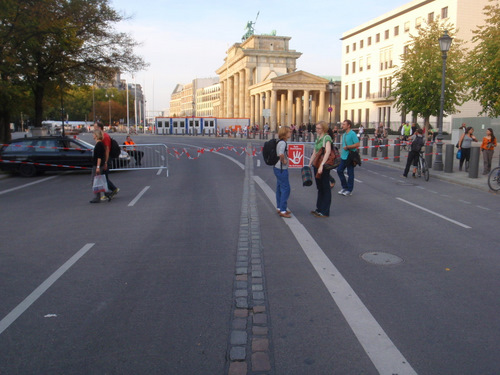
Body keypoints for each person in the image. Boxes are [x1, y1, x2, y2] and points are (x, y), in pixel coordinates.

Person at [309, 121, 332, 217]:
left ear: (324, 129)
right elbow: (315, 152)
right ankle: (319, 208)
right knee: (319, 187)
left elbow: (327, 152)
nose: (317, 130)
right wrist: (309, 164)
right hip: (316, 164)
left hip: (323, 165)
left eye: (319, 128)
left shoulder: (327, 138)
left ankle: (325, 211)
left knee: (325, 187)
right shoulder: (318, 138)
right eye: (316, 128)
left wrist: (322, 165)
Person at [93, 123, 119, 199]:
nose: (94, 129)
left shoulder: (105, 137)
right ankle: (108, 192)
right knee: (103, 176)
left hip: (106, 158)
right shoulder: (103, 137)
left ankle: (112, 190)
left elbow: (107, 150)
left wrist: (106, 162)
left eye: (95, 127)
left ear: (100, 128)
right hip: (104, 158)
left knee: (104, 176)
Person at [337, 119, 360, 196]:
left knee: (350, 173)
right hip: (343, 156)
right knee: (339, 170)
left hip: (350, 156)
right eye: (342, 124)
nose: (342, 125)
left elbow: (357, 144)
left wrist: (348, 147)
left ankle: (349, 190)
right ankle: (344, 187)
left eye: (344, 124)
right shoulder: (344, 134)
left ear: (348, 125)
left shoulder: (352, 133)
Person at [274, 126, 292, 218]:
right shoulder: (283, 143)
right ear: (285, 133)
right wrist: (284, 160)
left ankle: (279, 207)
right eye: (289, 132)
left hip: (277, 168)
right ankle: (283, 210)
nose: (290, 133)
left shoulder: (279, 142)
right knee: (286, 188)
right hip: (281, 168)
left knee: (279, 188)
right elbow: (281, 154)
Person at [90, 129, 106, 203]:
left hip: (97, 165)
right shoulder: (100, 144)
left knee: (95, 181)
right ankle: (106, 192)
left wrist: (98, 167)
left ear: (96, 135)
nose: (93, 135)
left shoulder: (99, 145)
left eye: (93, 134)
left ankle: (97, 196)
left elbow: (99, 157)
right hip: (99, 164)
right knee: (99, 180)